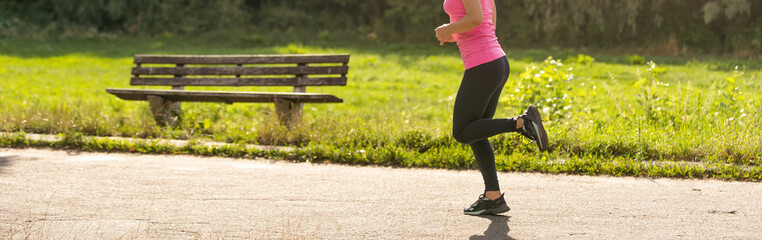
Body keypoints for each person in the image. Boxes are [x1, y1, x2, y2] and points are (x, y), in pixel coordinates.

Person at [435, 0, 549, 216]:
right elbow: (488, 24)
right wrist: (456, 34)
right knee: (477, 132)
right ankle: (493, 197)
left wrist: (448, 29)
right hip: (495, 62)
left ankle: (522, 123)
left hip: (483, 65)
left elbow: (477, 19)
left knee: (462, 131)